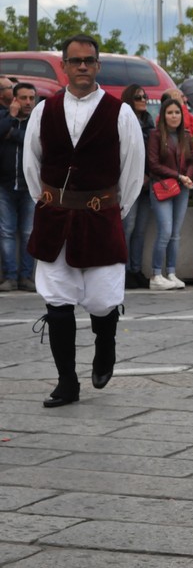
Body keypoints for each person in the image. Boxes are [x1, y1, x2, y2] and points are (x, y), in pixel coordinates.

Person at [23, 34, 145, 407]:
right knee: (56, 301)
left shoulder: (119, 112)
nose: (81, 67)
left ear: (97, 66)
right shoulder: (45, 110)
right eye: (74, 61)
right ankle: (66, 381)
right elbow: (32, 162)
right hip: (55, 218)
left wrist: (110, 209)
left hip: (99, 218)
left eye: (88, 61)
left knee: (103, 299)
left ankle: (104, 347)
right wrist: (50, 202)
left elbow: (132, 170)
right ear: (64, 65)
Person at [146, 98, 193, 290]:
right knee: (165, 231)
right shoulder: (156, 135)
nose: (174, 116)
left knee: (175, 233)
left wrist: (188, 177)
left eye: (177, 113)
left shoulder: (186, 136)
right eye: (170, 113)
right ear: (163, 115)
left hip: (182, 188)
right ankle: (156, 274)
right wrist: (179, 176)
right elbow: (153, 164)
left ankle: (171, 272)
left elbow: (191, 160)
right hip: (162, 187)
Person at [0, 82, 37, 291]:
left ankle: (26, 276)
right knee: (6, 232)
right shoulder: (4, 117)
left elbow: (36, 143)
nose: (28, 102)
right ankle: (10, 277)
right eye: (23, 98)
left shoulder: (37, 122)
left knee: (28, 233)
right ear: (14, 100)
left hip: (29, 187)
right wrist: (12, 118)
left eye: (31, 98)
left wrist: (12, 135)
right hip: (4, 186)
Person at [120, 83, 155, 289]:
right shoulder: (123, 123)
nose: (143, 100)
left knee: (140, 230)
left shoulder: (150, 124)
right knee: (128, 228)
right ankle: (122, 270)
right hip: (128, 183)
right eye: (138, 97)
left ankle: (135, 269)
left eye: (144, 97)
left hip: (148, 183)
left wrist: (149, 175)